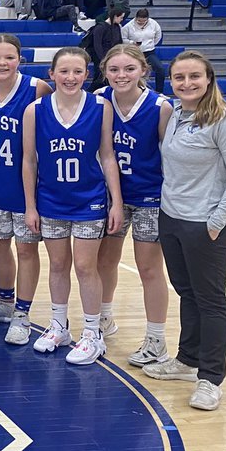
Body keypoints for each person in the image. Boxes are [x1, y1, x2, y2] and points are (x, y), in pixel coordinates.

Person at [141, 51, 226, 411]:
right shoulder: (176, 113)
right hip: (172, 218)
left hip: (205, 224)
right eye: (179, 77)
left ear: (209, 79)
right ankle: (187, 360)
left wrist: (216, 221)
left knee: (212, 300)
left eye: (194, 77)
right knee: (187, 292)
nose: (187, 83)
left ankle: (211, 378)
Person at [23, 47, 123, 366]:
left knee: (84, 266)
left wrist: (116, 202)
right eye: (64, 71)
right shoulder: (35, 110)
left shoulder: (100, 107)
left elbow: (107, 156)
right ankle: (58, 326)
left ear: (87, 74)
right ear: (51, 74)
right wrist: (30, 206)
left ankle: (92, 333)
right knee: (57, 265)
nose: (70, 77)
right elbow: (29, 161)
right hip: (51, 200)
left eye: (77, 71)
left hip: (89, 200)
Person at [0, 34, 51, 344]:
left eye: (9, 57)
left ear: (20, 59)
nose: (2, 63)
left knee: (26, 250)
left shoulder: (36, 89)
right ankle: (5, 302)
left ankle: (22, 313)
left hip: (28, 188)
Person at [95, 44, 173, 366]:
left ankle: (156, 340)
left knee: (149, 268)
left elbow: (172, 158)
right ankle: (103, 319)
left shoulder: (160, 107)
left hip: (149, 197)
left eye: (129, 68)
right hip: (111, 196)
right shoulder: (99, 99)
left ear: (143, 69)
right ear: (105, 72)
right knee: (104, 261)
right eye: (114, 69)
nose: (121, 75)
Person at [122, 7, 167, 90]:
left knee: (160, 69)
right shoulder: (128, 26)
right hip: (134, 53)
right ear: (136, 18)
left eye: (144, 21)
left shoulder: (154, 24)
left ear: (147, 19)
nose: (141, 23)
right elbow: (123, 39)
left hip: (149, 52)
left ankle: (159, 91)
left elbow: (158, 36)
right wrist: (131, 43)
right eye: (139, 21)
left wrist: (150, 44)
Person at [89, 5, 129, 90]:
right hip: (101, 57)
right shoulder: (100, 27)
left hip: (113, 56)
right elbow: (97, 45)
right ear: (115, 16)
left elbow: (119, 43)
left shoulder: (117, 27)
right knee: (99, 79)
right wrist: (103, 59)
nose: (122, 19)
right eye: (121, 17)